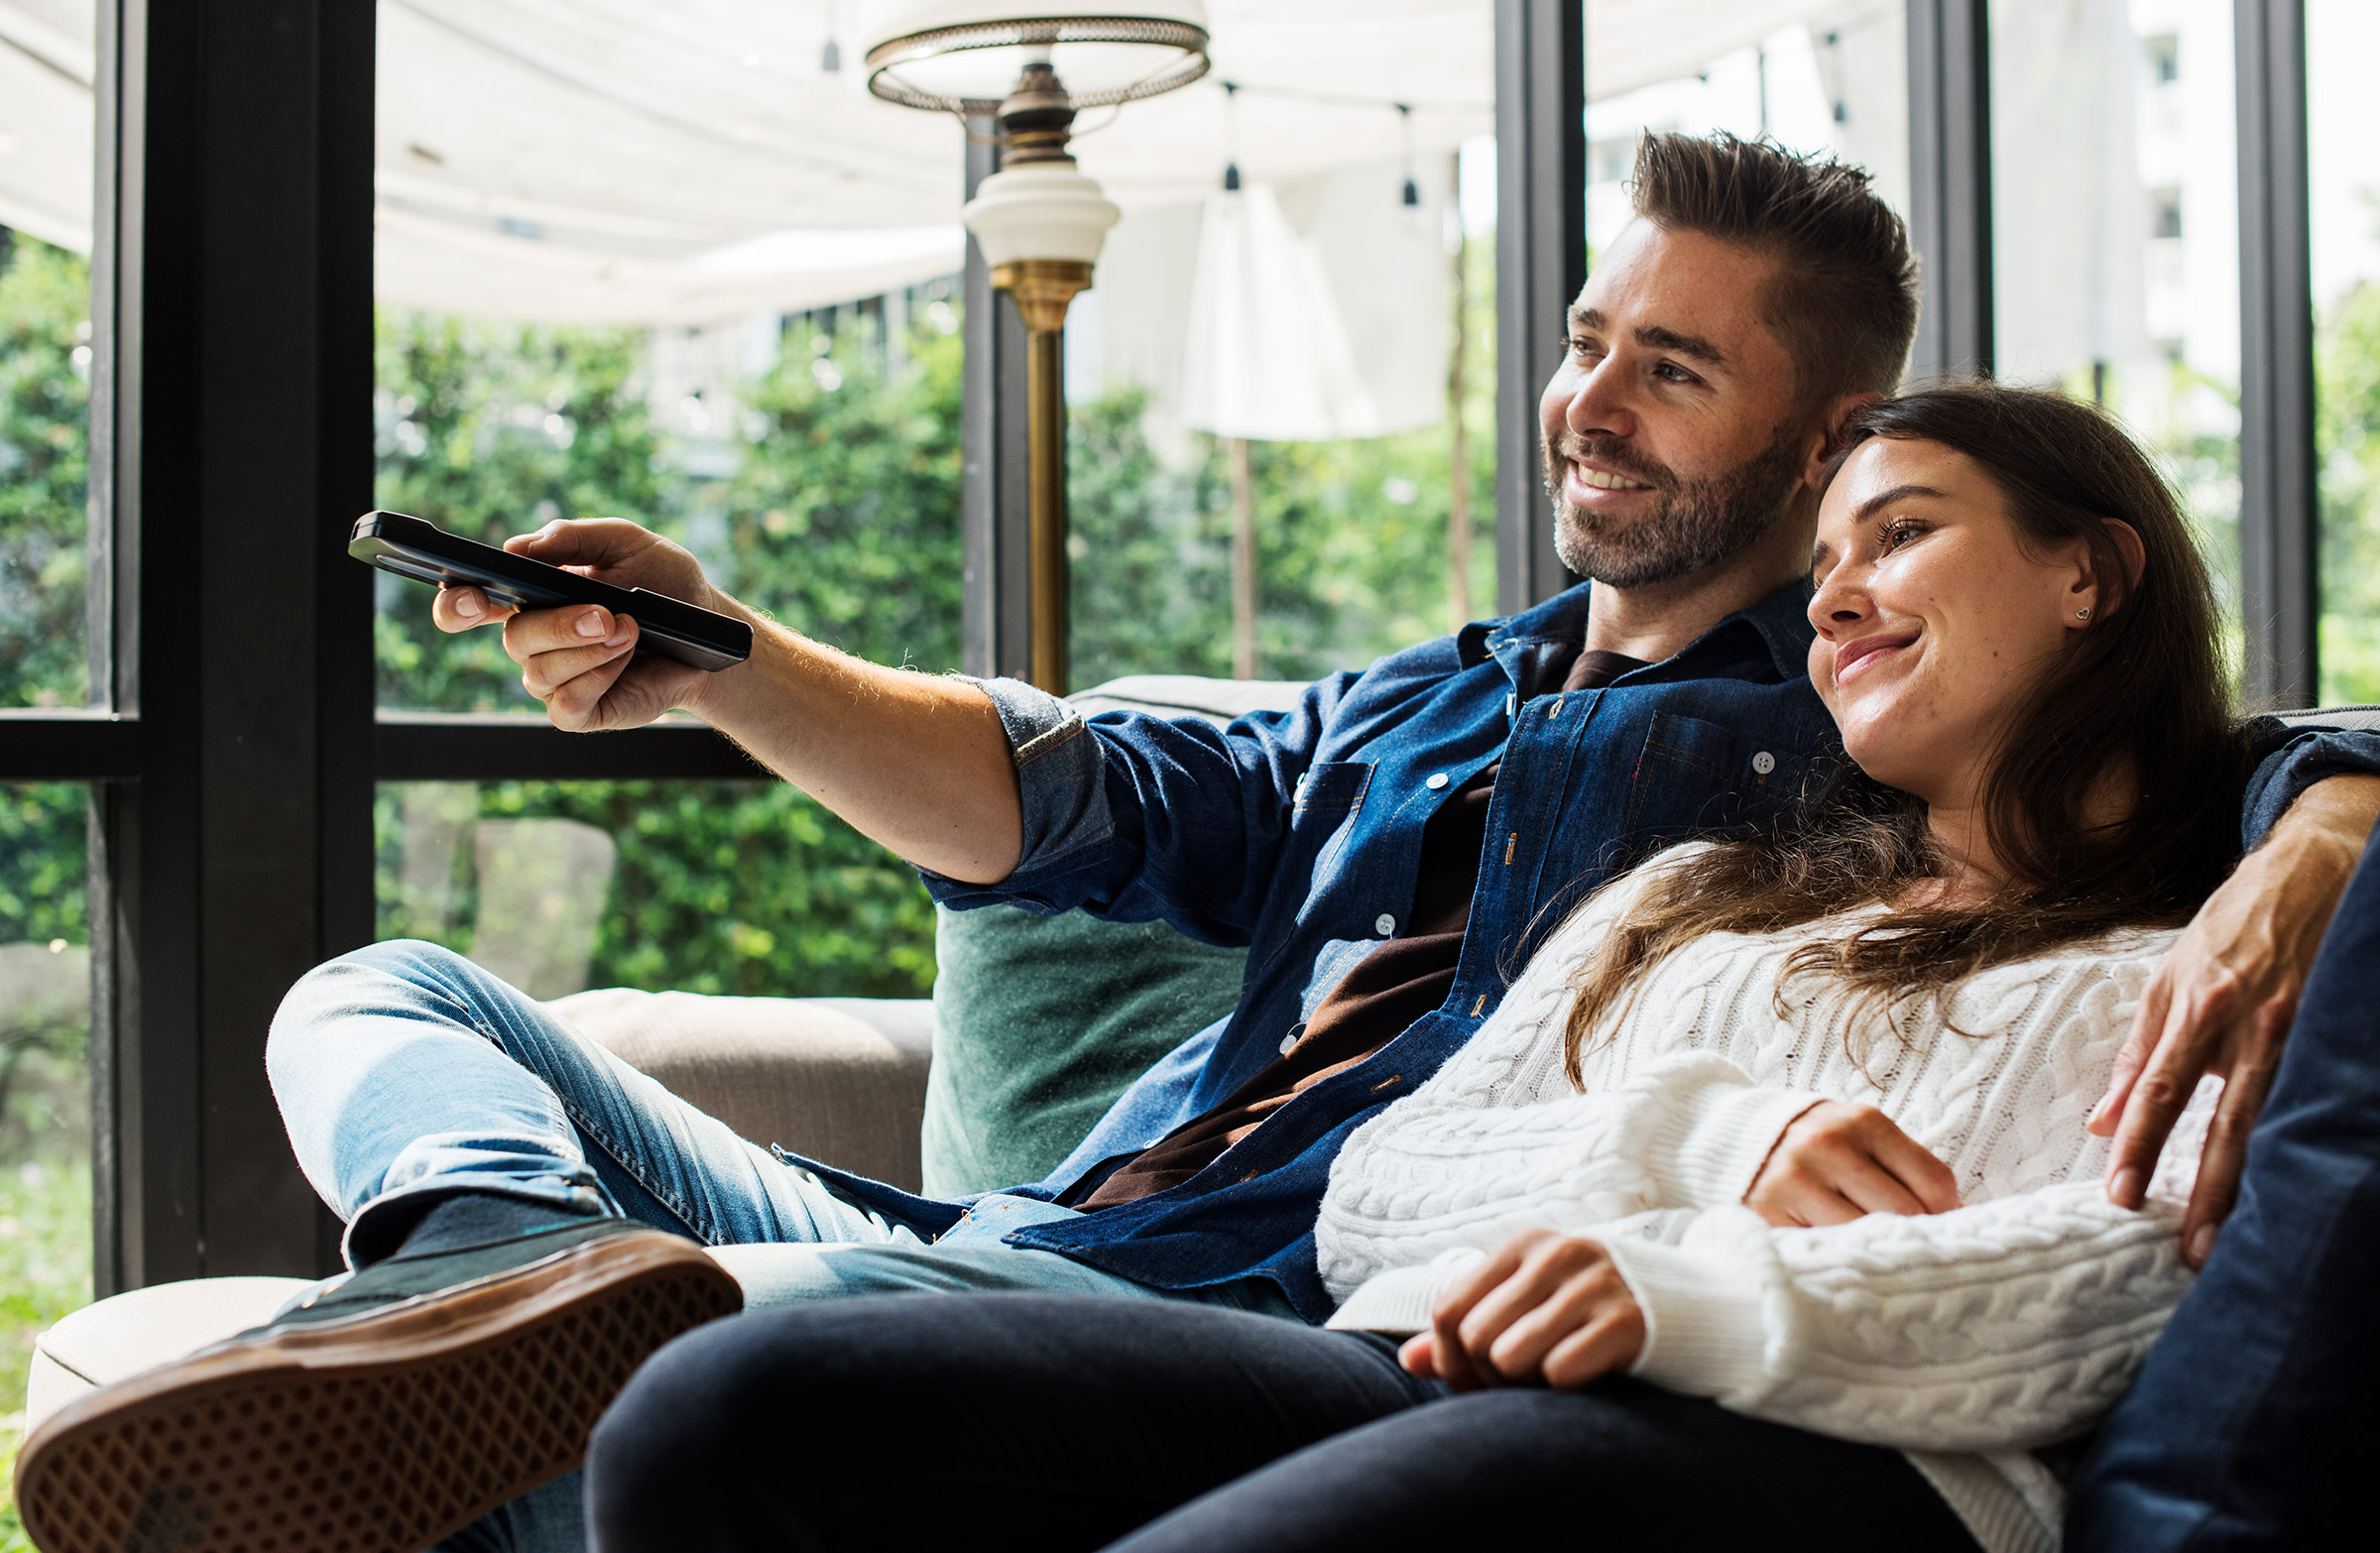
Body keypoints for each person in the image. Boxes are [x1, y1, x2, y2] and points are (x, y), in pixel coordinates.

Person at [14, 137, 2376, 1553]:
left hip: (1200, 1320)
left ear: (1835, 430)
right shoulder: (1439, 691)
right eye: (1585, 337)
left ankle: (467, 1382)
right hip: (1003, 1237)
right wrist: (712, 648)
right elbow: (1083, 802)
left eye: (1678, 367)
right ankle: (474, 1278)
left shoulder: (1837, 743)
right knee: (378, 994)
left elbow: (2179, 748)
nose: (1591, 401)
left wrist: (2326, 816)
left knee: (726, 1381)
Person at [580, 383, 2370, 1553]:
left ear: (2093, 573)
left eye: (1898, 534)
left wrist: (1690, 1299)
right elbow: (1379, 1188)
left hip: (1820, 1457)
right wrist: (1697, 1138)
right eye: (1820, 565)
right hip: (1429, 1353)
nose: (1830, 600)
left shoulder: (2206, 948)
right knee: (721, 1412)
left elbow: (2122, 1284)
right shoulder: (1697, 897)